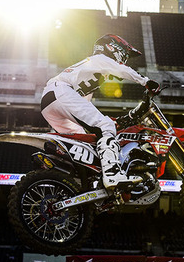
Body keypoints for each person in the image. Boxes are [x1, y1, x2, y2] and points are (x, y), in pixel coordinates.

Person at [40, 34, 159, 189]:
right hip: (60, 91)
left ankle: (77, 182)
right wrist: (146, 81)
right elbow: (122, 69)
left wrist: (112, 122)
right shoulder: (100, 58)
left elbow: (84, 106)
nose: (125, 59)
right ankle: (112, 174)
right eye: (125, 53)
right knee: (105, 125)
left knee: (82, 142)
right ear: (112, 48)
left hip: (49, 102)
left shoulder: (91, 72)